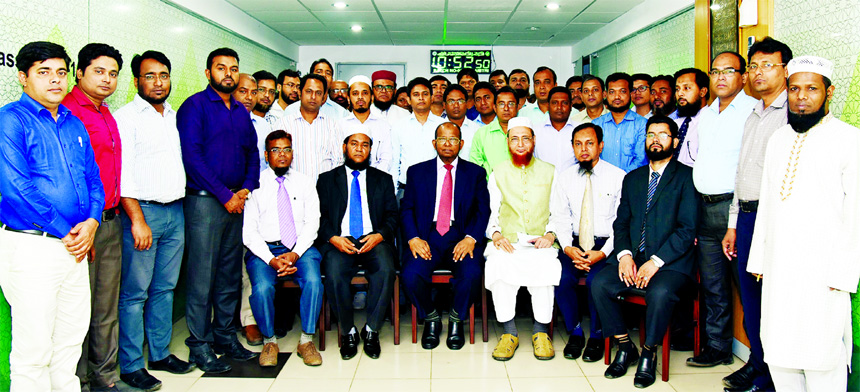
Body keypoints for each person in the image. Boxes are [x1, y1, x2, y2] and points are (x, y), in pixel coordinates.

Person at [748, 55, 860, 392]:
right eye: (795, 88)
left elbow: (855, 213)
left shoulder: (849, 139)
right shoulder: (779, 139)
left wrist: (841, 275)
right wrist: (759, 260)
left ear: (829, 92)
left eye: (812, 89)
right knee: (780, 351)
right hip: (779, 268)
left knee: (822, 356)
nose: (801, 96)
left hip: (823, 272)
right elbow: (767, 202)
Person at [0, 40, 104, 392]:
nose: (55, 81)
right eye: (43, 72)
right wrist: (67, 231)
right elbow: (17, 188)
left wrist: (91, 222)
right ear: (23, 77)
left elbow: (93, 179)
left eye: (61, 72)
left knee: (70, 341)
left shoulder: (74, 123)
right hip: (33, 246)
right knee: (34, 350)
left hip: (73, 245)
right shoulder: (10, 120)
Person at [592, 115, 698, 389]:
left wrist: (655, 261)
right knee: (601, 283)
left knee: (660, 292)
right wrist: (625, 254)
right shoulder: (633, 178)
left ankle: (649, 353)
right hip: (635, 258)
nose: (655, 139)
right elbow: (622, 222)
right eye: (651, 134)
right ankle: (625, 346)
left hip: (672, 263)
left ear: (674, 141)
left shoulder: (687, 177)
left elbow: (687, 229)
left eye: (663, 134)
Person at [113, 50, 194, 391]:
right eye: (150, 76)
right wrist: (136, 220)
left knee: (164, 288)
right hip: (141, 213)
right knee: (135, 294)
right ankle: (131, 365)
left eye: (163, 75)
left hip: (176, 212)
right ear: (136, 81)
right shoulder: (125, 117)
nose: (158, 82)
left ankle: (159, 353)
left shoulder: (173, 115)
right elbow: (122, 174)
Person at [177, 47, 260, 373]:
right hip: (204, 203)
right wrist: (225, 194)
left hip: (235, 204)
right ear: (209, 72)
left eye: (233, 68)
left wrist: (245, 188)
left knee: (228, 276)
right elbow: (192, 158)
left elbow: (253, 153)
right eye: (221, 68)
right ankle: (199, 344)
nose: (228, 73)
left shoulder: (240, 111)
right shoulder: (194, 107)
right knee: (201, 277)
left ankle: (225, 337)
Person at [720, 37, 792, 392]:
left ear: (785, 70)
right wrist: (733, 224)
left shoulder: (794, 115)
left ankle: (772, 376)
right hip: (746, 219)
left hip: (774, 221)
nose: (758, 72)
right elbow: (741, 175)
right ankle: (757, 363)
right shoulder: (753, 115)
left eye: (768, 65)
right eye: (754, 66)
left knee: (773, 300)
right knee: (750, 299)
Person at [688, 51, 758, 369]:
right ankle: (717, 347)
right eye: (715, 71)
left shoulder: (752, 111)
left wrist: (732, 218)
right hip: (704, 209)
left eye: (728, 71)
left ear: (742, 76)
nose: (720, 77)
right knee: (713, 285)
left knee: (747, 287)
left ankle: (761, 359)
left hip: (734, 210)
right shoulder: (706, 113)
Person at [61, 43, 124, 392]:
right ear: (79, 72)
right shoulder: (69, 113)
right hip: (82, 226)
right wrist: (87, 223)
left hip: (110, 221)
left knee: (105, 306)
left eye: (113, 73)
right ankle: (77, 380)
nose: (107, 79)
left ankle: (104, 377)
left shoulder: (106, 113)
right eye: (99, 71)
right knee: (76, 310)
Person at [400, 122, 490, 350]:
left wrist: (471, 237)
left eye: (453, 139)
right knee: (410, 275)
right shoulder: (417, 172)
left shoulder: (476, 173)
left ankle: (456, 319)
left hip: (461, 236)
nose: (447, 144)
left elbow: (483, 210)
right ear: (434, 143)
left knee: (471, 273)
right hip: (426, 237)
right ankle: (431, 317)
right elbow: (407, 208)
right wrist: (413, 238)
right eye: (442, 139)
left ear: (461, 144)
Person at [243, 130, 324, 368]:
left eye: (287, 149)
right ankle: (270, 341)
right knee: (262, 288)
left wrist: (295, 253)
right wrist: (271, 259)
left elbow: (313, 222)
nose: (282, 155)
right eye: (276, 150)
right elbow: (249, 232)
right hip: (265, 250)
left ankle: (306, 340)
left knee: (313, 281)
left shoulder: (305, 182)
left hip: (300, 247)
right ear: (266, 155)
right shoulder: (255, 185)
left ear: (292, 153)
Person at [317, 125, 399, 360]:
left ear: (370, 150)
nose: (359, 149)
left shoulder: (383, 179)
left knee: (385, 269)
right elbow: (317, 217)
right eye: (354, 144)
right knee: (333, 272)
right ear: (345, 148)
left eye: (365, 145)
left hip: (373, 238)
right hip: (340, 240)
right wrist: (333, 238)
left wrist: (380, 235)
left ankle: (371, 329)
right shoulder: (326, 180)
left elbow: (392, 216)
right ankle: (348, 331)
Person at [484, 117, 561, 361]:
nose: (520, 144)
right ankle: (509, 333)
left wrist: (550, 234)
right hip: (508, 238)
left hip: (541, 240)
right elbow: (491, 210)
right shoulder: (498, 171)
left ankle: (541, 333)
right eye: (514, 139)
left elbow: (559, 210)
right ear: (507, 142)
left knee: (546, 265)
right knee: (498, 264)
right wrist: (495, 234)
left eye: (525, 138)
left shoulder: (550, 171)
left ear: (533, 141)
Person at [551, 123, 625, 363]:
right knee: (561, 278)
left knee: (596, 281)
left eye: (589, 143)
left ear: (600, 146)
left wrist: (601, 253)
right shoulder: (564, 178)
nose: (584, 149)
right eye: (578, 144)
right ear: (572, 147)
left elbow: (621, 222)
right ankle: (574, 331)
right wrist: (568, 248)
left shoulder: (618, 177)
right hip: (573, 243)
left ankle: (597, 335)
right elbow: (559, 217)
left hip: (605, 245)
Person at [278, 73, 343, 181]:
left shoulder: (332, 125)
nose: (313, 97)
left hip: (324, 191)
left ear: (323, 97)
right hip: (292, 189)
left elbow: (338, 161)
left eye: (318, 93)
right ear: (300, 93)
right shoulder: (284, 124)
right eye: (309, 91)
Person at [391, 77, 445, 191]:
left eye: (425, 94)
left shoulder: (443, 126)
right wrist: (394, 192)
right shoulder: (399, 126)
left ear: (431, 98)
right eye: (416, 94)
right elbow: (395, 162)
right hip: (407, 188)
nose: (421, 98)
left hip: (437, 188)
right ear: (409, 100)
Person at [592, 73, 648, 173]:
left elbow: (641, 160)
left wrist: (619, 179)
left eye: (622, 91)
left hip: (632, 182)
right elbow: (592, 156)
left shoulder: (643, 124)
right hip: (602, 182)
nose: (617, 97)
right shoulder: (596, 124)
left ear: (631, 93)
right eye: (612, 92)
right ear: (606, 95)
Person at [342, 75, 394, 174]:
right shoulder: (340, 125)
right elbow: (337, 159)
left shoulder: (384, 126)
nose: (360, 97)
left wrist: (373, 181)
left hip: (376, 182)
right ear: (348, 98)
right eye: (355, 93)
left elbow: (386, 159)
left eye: (365, 93)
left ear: (372, 98)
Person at [470, 86, 518, 177]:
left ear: (517, 107)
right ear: (495, 107)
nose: (506, 108)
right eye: (501, 104)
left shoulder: (526, 132)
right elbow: (475, 167)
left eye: (511, 104)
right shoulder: (481, 134)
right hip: (490, 188)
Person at [533, 86, 580, 170]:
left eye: (564, 103)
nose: (559, 107)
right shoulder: (535, 131)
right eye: (555, 103)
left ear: (571, 106)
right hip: (544, 182)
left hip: (573, 182)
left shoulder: (580, 130)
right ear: (548, 105)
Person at [672, 68, 710, 167]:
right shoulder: (676, 124)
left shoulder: (712, 122)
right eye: (677, 89)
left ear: (703, 92)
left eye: (687, 88)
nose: (680, 94)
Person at [441, 84, 480, 161]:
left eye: (460, 101)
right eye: (451, 101)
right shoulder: (437, 128)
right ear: (444, 105)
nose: (456, 105)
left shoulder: (477, 129)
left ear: (466, 104)